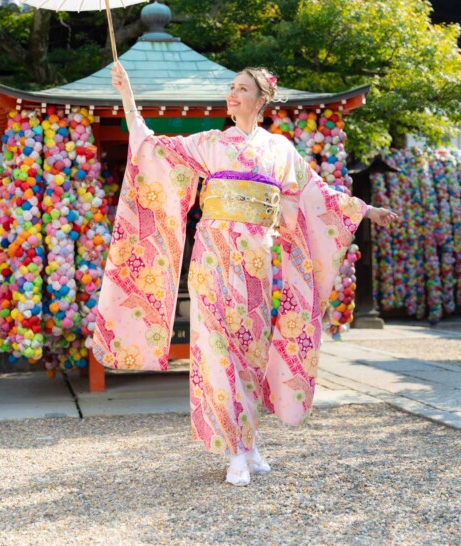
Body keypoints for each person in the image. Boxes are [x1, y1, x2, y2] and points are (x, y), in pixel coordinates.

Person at [93, 62, 398, 486]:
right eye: (232, 87)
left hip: (257, 261)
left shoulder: (279, 150)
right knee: (218, 350)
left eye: (242, 89)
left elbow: (319, 195)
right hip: (213, 261)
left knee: (253, 353)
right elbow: (150, 146)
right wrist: (127, 94)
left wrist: (366, 210)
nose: (233, 94)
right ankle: (234, 450)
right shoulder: (211, 143)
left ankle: (250, 442)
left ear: (261, 100)